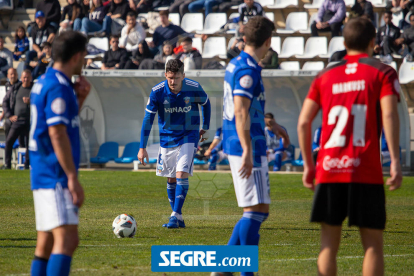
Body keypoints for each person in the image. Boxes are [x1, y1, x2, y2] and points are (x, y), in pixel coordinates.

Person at [297, 18, 402, 276]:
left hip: (330, 168)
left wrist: (309, 167)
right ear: (373, 43)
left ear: (343, 43)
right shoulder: (383, 72)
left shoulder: (325, 75)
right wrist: (396, 162)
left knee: (328, 246)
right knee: (373, 246)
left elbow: (303, 123)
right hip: (365, 169)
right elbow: (389, 115)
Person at [213, 16, 288, 276]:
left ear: (244, 38)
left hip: (247, 140)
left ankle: (224, 269)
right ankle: (242, 271)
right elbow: (240, 111)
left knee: (259, 210)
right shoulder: (248, 69)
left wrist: (271, 125)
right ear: (268, 41)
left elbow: (250, 107)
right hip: (247, 144)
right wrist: (246, 149)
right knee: (255, 210)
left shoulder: (237, 63)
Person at [29, 31, 90, 276]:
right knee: (67, 240)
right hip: (55, 173)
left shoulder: (46, 80)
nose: (85, 60)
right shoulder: (58, 86)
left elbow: (60, 124)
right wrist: (72, 178)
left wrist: (79, 98)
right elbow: (56, 133)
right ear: (76, 56)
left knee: (46, 243)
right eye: (85, 55)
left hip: (43, 170)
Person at [137, 59, 211, 229]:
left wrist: (204, 127)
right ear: (165, 75)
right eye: (170, 77)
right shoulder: (157, 92)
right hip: (167, 138)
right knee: (171, 178)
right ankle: (178, 217)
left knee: (181, 173)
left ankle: (174, 215)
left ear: (183, 76)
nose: (173, 82)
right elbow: (148, 119)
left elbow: (206, 103)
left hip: (189, 135)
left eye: (176, 78)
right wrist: (142, 147)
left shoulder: (193, 87)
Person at [2, 70, 32, 170]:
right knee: (9, 142)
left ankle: (27, 165)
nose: (26, 79)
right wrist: (10, 115)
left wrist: (30, 102)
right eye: (24, 77)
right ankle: (7, 165)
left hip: (30, 121)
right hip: (17, 121)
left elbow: (41, 103)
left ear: (31, 78)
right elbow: (5, 101)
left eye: (27, 77)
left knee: (29, 144)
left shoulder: (35, 89)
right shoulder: (16, 88)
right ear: (21, 78)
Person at [1, 68, 21, 140]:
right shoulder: (7, 85)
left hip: (19, 114)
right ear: (8, 76)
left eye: (14, 74)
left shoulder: (21, 86)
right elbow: (6, 102)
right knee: (7, 124)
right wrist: (3, 115)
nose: (13, 76)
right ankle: (9, 143)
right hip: (10, 114)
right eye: (11, 74)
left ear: (17, 75)